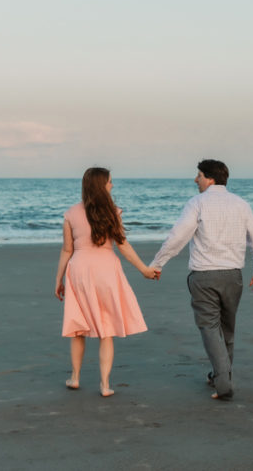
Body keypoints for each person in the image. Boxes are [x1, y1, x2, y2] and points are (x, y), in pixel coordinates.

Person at [148, 159, 253, 401]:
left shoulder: (197, 203)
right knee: (227, 329)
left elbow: (177, 237)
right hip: (233, 276)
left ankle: (223, 383)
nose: (195, 180)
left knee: (210, 328)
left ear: (210, 178)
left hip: (204, 276)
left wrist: (158, 263)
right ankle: (220, 375)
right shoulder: (241, 204)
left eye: (199, 175)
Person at [54, 167, 158, 397]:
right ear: (101, 185)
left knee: (77, 328)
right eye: (110, 182)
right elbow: (123, 245)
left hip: (79, 269)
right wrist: (144, 269)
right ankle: (104, 384)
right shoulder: (113, 212)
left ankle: (75, 377)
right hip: (107, 271)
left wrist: (58, 279)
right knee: (106, 329)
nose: (113, 185)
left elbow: (66, 250)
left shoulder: (70, 214)